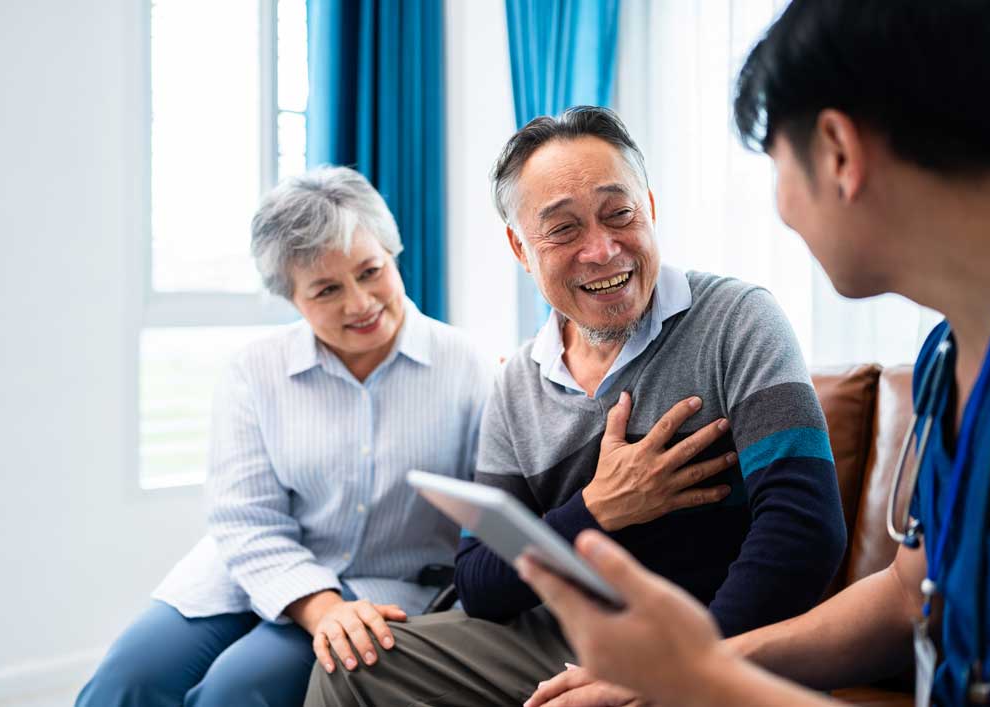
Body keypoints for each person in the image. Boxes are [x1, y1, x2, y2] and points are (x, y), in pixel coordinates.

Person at [518, 1, 990, 706]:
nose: (782, 209)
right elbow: (911, 589)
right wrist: (679, 665)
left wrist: (700, 679)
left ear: (837, 152)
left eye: (777, 165)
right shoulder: (950, 354)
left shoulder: (735, 317)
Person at [306, 107, 848, 706]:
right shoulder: (518, 383)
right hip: (564, 636)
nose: (602, 250)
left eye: (620, 214)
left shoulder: (737, 319)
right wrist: (598, 508)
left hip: (713, 636)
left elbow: (805, 531)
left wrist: (684, 670)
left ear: (650, 207)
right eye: (563, 229)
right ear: (520, 247)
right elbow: (480, 581)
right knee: (351, 668)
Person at [76, 166, 492, 706]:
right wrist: (319, 607)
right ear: (292, 298)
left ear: (393, 253)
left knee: (237, 690)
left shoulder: (467, 367)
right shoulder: (255, 370)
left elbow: (496, 509)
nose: (359, 303)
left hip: (378, 590)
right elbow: (244, 518)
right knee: (126, 681)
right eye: (326, 290)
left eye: (370, 271)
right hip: (247, 572)